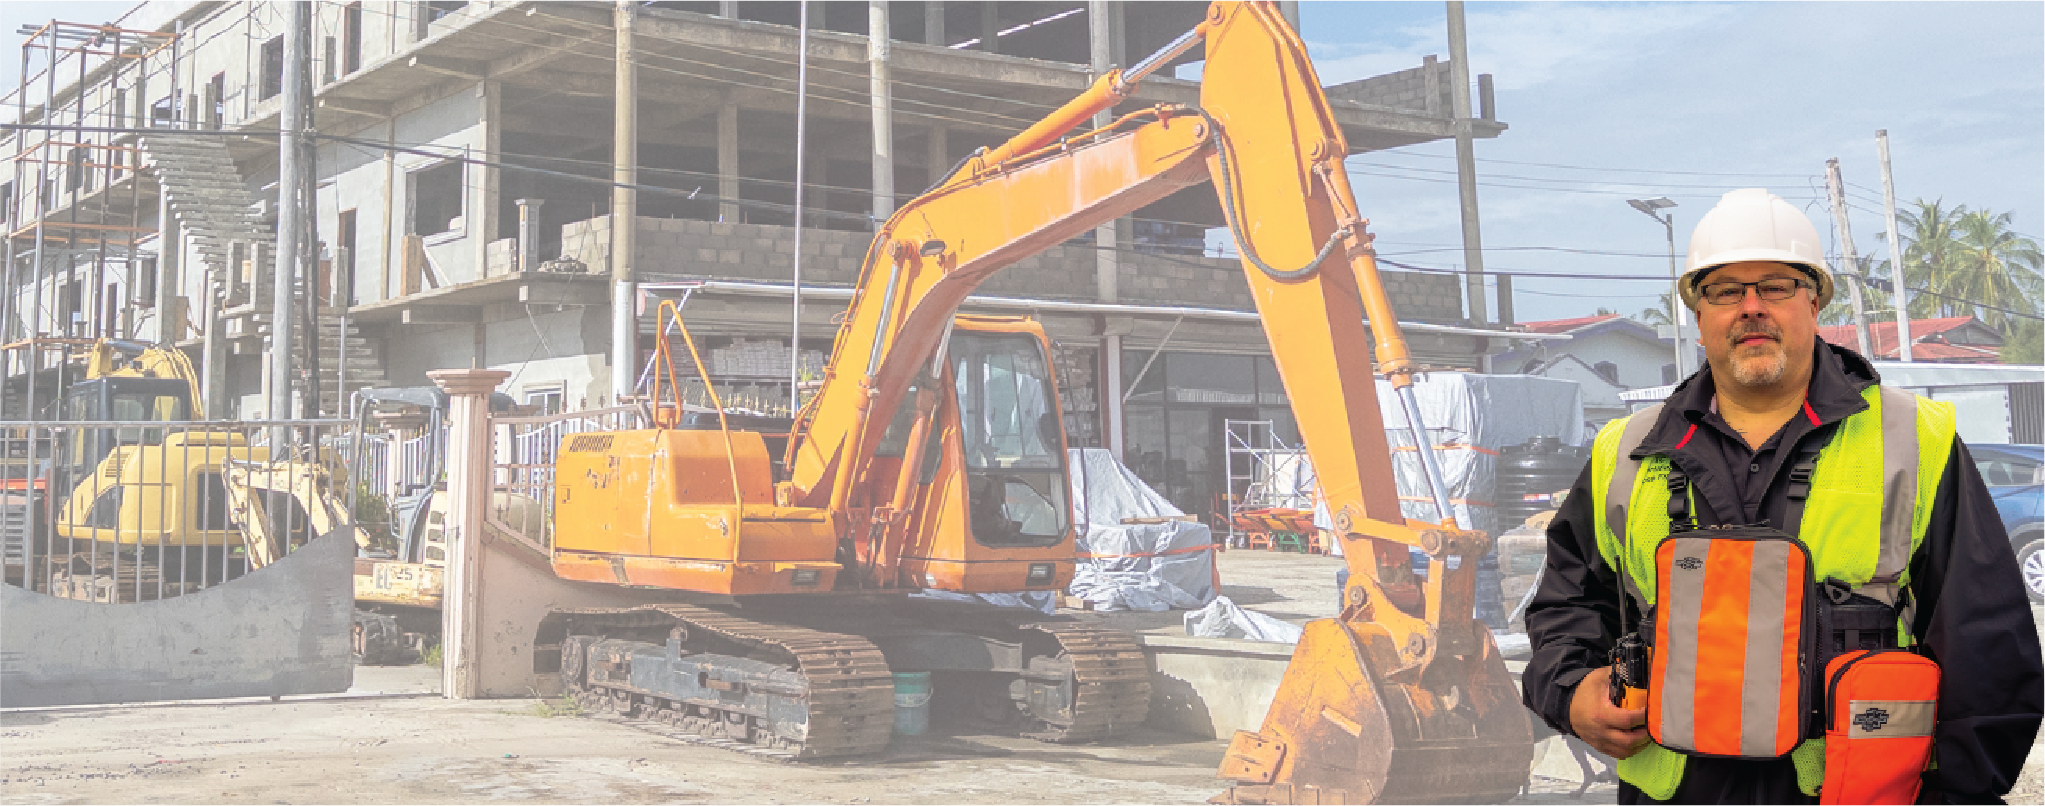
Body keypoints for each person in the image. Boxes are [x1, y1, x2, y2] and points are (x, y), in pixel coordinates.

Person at [1521, 189, 2043, 805]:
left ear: (1814, 299)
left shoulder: (1912, 438)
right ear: (1697, 310)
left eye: (1776, 285)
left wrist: (1952, 795)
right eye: (1725, 290)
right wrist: (1571, 689)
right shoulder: (1626, 452)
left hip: (1855, 791)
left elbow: (1988, 651)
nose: (1751, 308)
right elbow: (1566, 602)